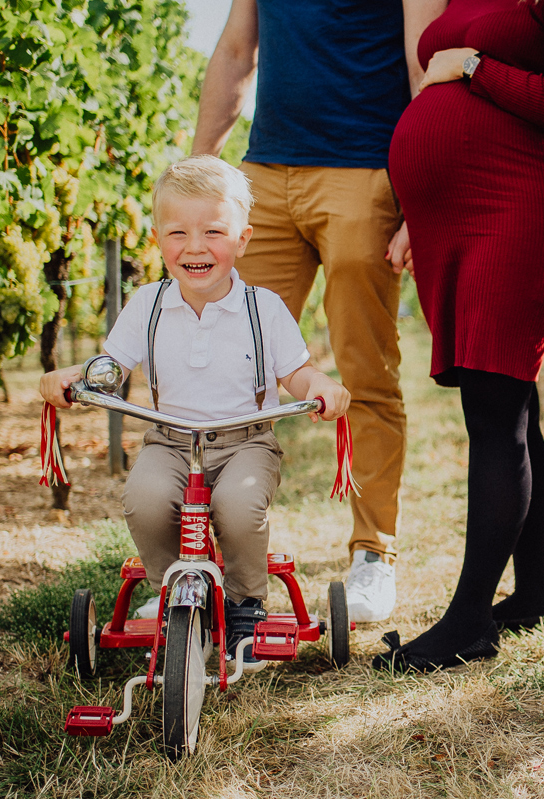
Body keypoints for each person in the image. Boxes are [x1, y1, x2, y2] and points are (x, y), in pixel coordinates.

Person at [191, 0, 447, 623]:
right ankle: (206, 566)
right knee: (224, 372)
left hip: (364, 172)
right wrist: (199, 177)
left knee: (365, 373)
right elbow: (233, 53)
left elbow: (423, 69)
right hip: (264, 175)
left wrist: (419, 196)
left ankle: (373, 555)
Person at [40, 156, 350, 662]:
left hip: (244, 440)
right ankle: (170, 593)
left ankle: (246, 600)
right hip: (170, 439)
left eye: (213, 231)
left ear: (243, 240)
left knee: (239, 505)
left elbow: (296, 373)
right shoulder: (148, 303)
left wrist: (320, 386)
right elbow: (111, 366)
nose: (196, 247)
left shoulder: (263, 308)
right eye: (178, 233)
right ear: (160, 240)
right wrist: (76, 377)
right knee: (144, 498)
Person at [373, 0, 544, 672]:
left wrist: (474, 65)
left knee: (496, 413)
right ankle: (533, 596)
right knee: (513, 411)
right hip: (458, 220)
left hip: (514, 208)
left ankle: (470, 619)